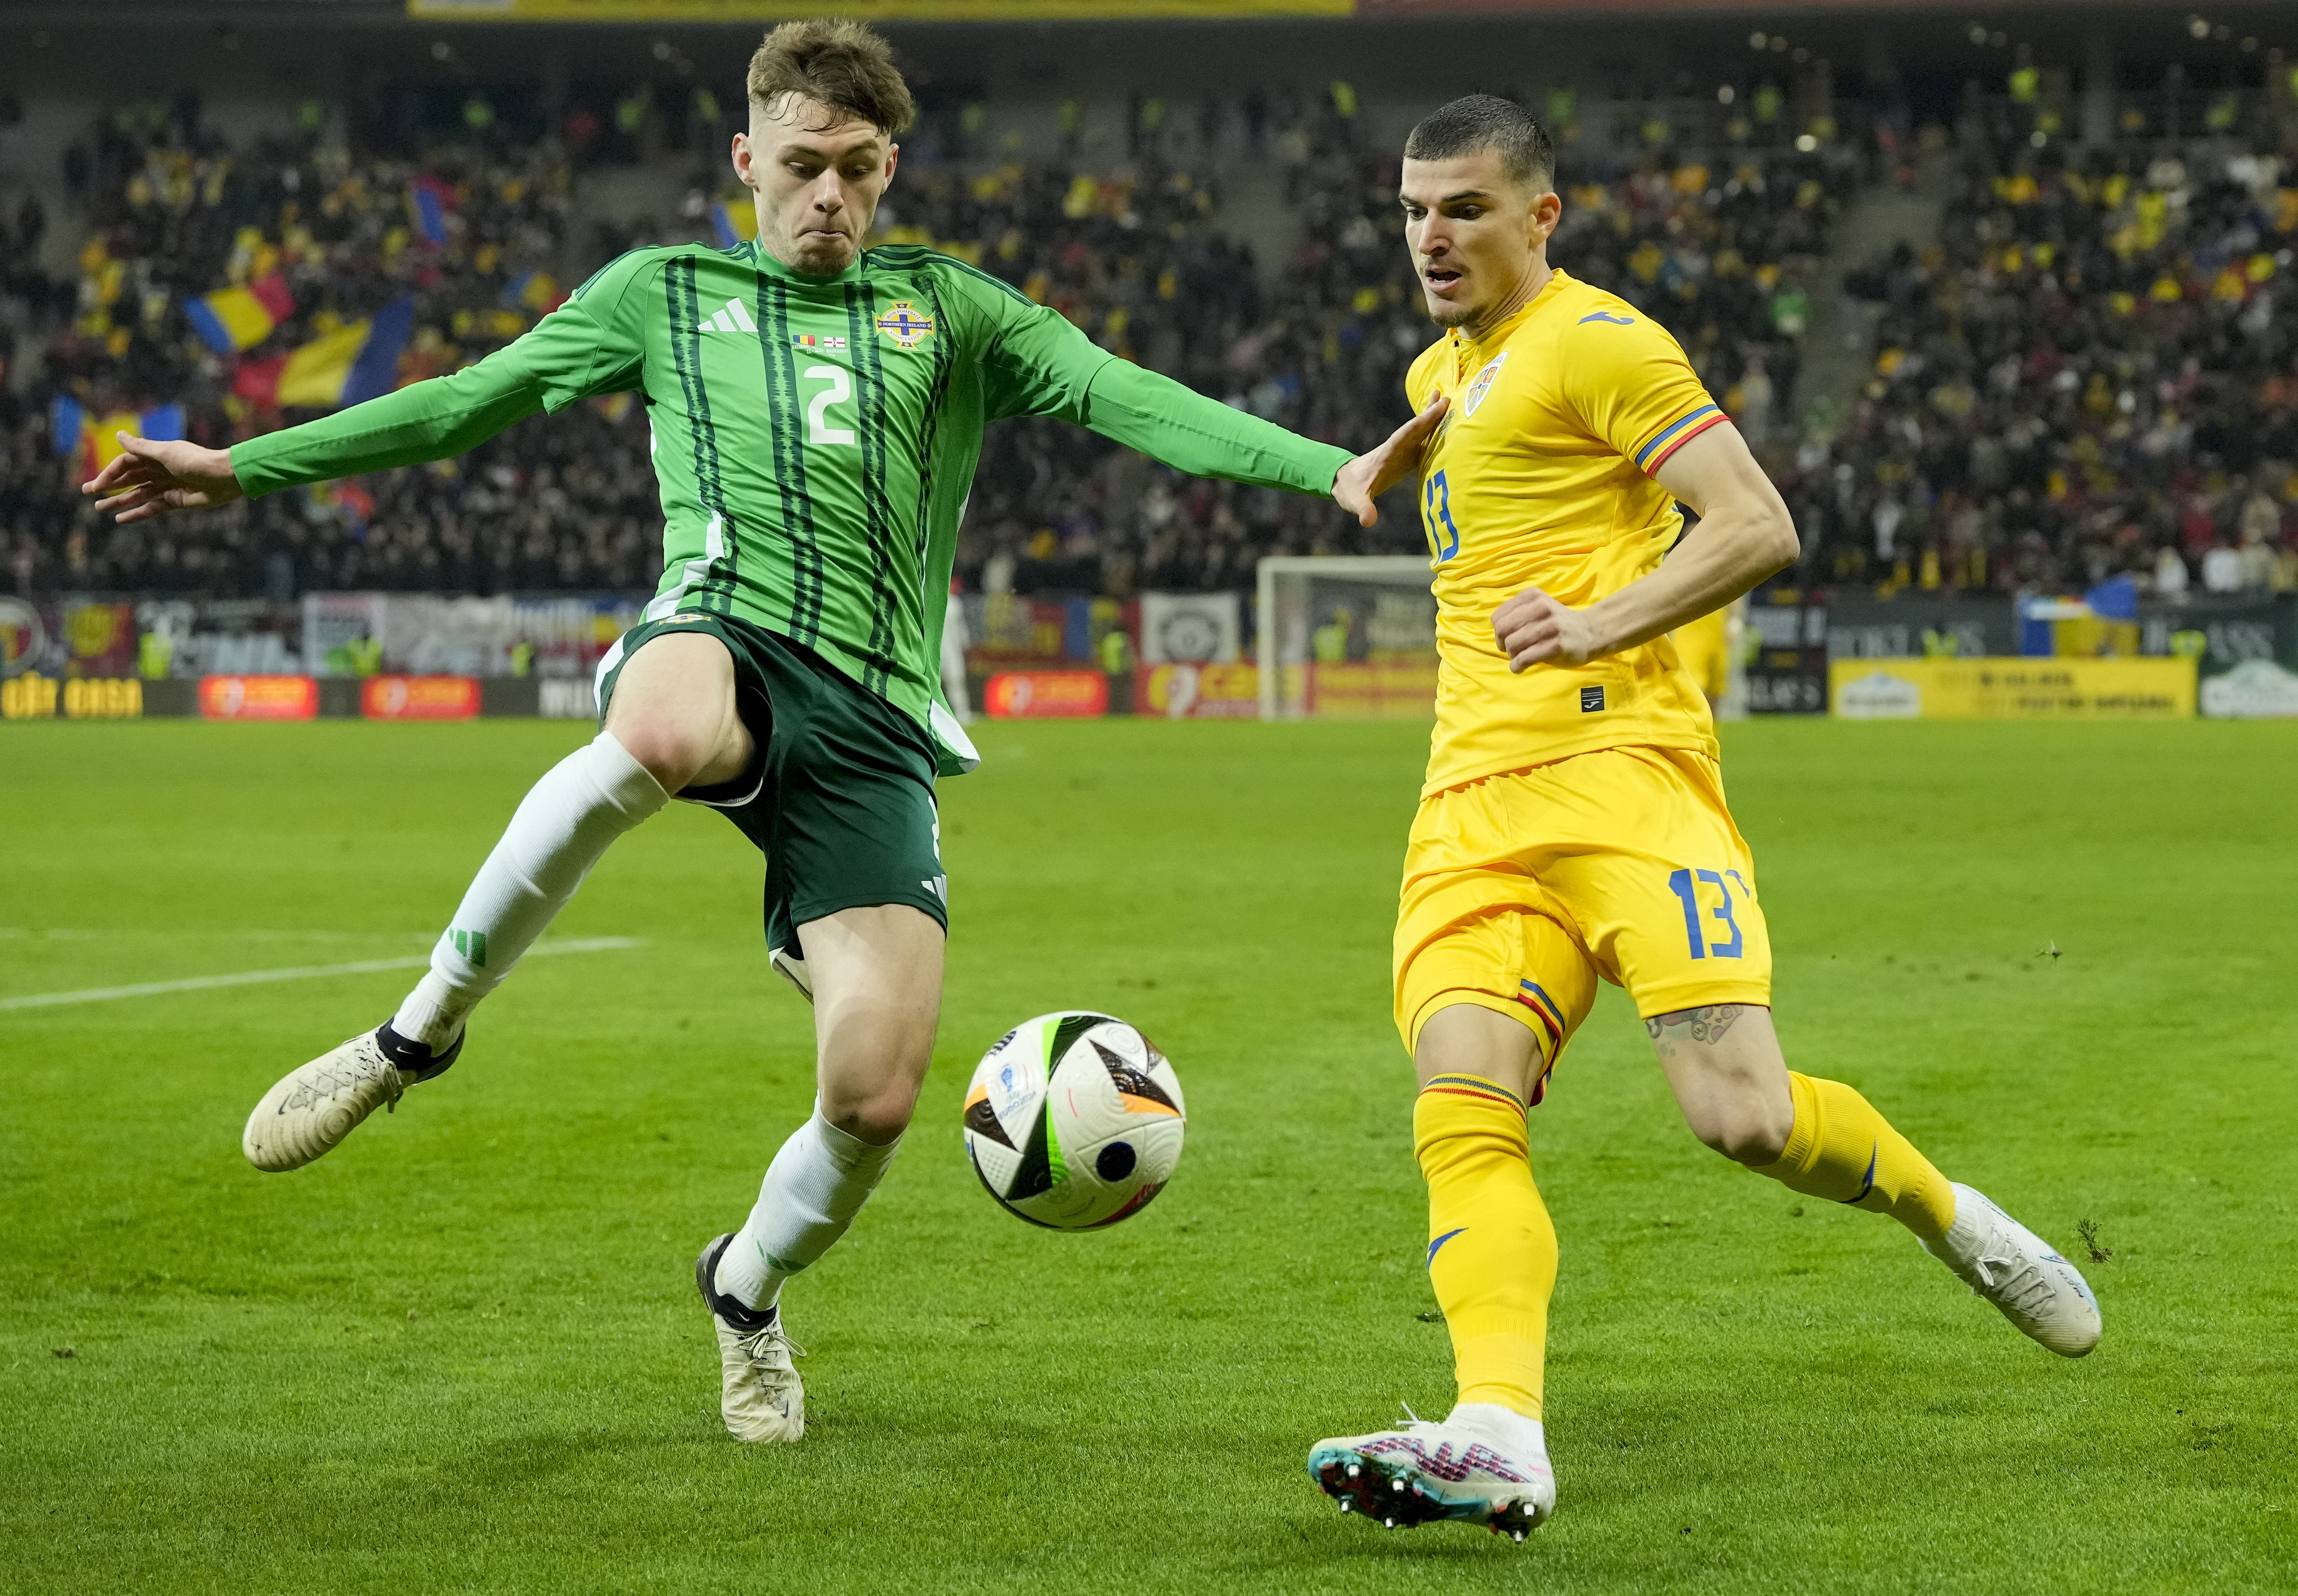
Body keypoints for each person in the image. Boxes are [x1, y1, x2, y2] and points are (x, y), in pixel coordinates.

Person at [83, 19, 1436, 1447]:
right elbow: (466, 403)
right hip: (719, 633)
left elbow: (1123, 395)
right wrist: (242, 462)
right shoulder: (659, 294)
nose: (829, 198)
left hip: (873, 724)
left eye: (856, 170)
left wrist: (1326, 466)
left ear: (891, 168)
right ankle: (415, 1036)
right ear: (746, 160)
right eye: (801, 167)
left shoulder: (959, 310)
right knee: (660, 728)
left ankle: (742, 1291)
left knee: (877, 1094)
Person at [1305, 95, 2100, 1543]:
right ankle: (1498, 1431)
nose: (1432, 233)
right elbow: (1481, 424)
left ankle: (1949, 1216)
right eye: (1415, 208)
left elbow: (1755, 524)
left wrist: (1595, 620)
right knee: (1461, 1101)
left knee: (1740, 1119)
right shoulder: (1449, 361)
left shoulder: (1607, 340)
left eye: (1465, 208)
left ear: (1541, 217)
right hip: (1467, 808)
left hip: (1626, 782)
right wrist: (1388, 455)